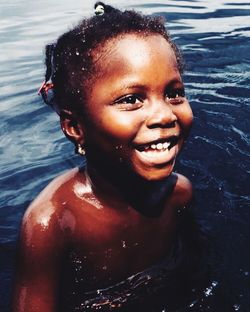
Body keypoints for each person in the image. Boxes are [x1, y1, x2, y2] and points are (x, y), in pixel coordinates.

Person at [12, 2, 194, 311]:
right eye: (131, 99)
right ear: (75, 127)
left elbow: (196, 275)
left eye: (174, 93)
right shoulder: (52, 223)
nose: (164, 114)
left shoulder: (179, 195)